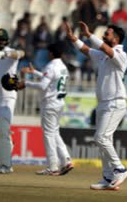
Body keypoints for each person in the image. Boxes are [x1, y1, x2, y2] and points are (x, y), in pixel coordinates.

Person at [65, 21, 127, 190]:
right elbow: (86, 51)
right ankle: (108, 178)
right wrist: (74, 39)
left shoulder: (120, 54)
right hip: (103, 103)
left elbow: (106, 50)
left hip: (115, 103)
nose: (103, 36)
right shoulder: (102, 55)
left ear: (115, 39)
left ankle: (120, 169)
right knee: (104, 141)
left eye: (107, 34)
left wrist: (89, 35)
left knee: (100, 138)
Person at [17, 41, 73, 176]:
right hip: (59, 103)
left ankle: (52, 166)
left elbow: (43, 86)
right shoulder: (62, 66)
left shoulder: (51, 65)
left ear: (51, 53)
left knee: (48, 134)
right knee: (54, 132)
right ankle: (66, 160)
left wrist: (26, 83)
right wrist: (34, 72)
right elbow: (50, 78)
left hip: (50, 104)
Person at [0, 28, 25, 174]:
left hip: (8, 96)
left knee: (2, 130)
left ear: (7, 41)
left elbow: (21, 53)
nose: (0, 42)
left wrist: (5, 53)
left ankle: (7, 165)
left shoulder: (11, 53)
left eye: (3, 40)